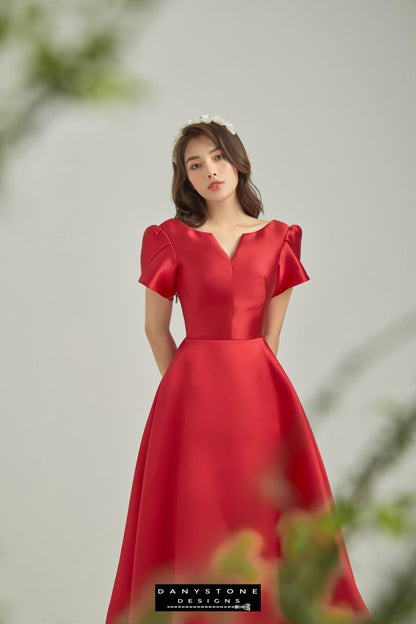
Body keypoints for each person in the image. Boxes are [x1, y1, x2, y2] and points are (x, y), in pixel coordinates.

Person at [105, 116, 373, 624]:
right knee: (197, 511)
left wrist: (256, 392)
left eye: (218, 157)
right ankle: (198, 616)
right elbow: (155, 329)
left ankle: (263, 613)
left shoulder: (279, 238)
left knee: (258, 508)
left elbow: (271, 338)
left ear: (238, 160)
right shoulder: (168, 238)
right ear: (184, 178)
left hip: (259, 389)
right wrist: (181, 392)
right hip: (189, 393)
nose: (210, 171)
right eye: (195, 164)